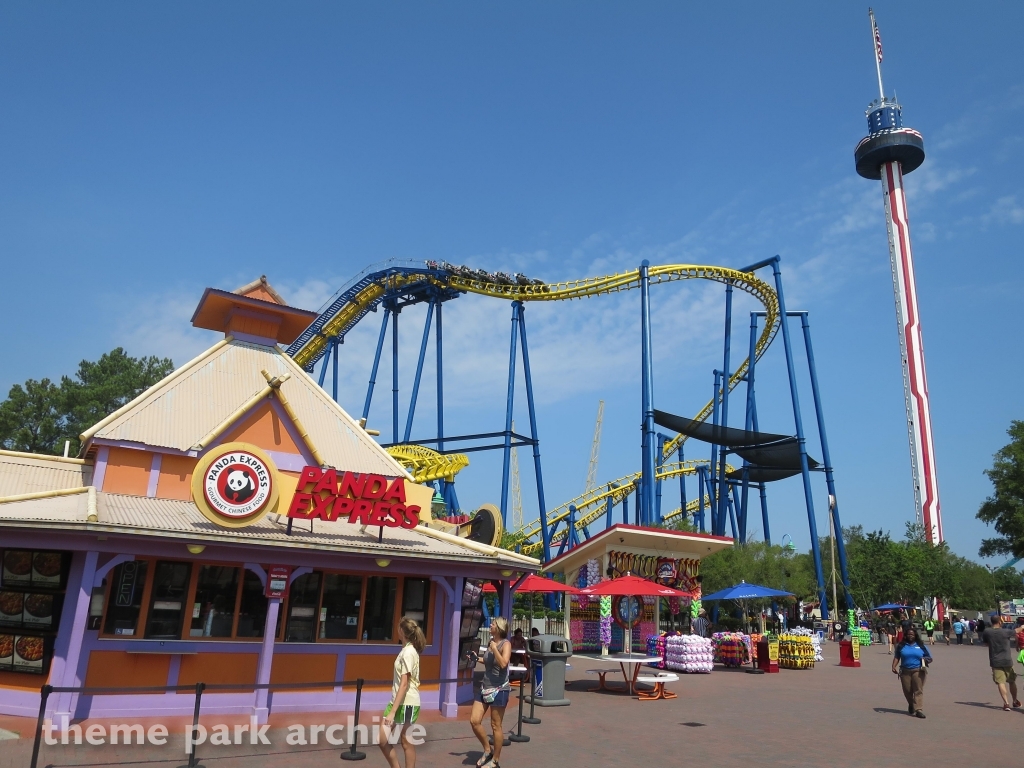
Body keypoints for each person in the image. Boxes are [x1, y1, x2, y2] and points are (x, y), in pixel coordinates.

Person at [380, 617, 424, 768]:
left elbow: (404, 683)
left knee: (406, 741)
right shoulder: (405, 650)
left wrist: (392, 712)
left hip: (407, 703)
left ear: (402, 631)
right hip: (397, 700)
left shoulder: (409, 653)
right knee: (382, 739)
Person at [470, 617, 512, 768]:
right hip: (485, 687)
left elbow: (503, 663)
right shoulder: (491, 643)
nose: (490, 625)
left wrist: (494, 648)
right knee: (474, 721)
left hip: (499, 689)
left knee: (496, 725)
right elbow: (490, 662)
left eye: (493, 624)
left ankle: (495, 760)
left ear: (499, 628)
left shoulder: (505, 644)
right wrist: (477, 658)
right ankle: (487, 749)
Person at [981, 615, 1020, 712]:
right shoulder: (1005, 631)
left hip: (995, 660)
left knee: (1000, 682)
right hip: (1007, 660)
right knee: (1012, 681)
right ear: (1000, 622)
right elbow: (1017, 630)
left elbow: (986, 643)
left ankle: (1006, 703)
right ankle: (1014, 701)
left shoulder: (987, 631)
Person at [891, 626, 932, 718]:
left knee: (918, 690)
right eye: (909, 634)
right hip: (905, 671)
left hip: (918, 670)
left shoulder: (921, 646)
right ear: (905, 635)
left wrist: (925, 659)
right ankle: (911, 704)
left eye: (912, 634)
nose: (910, 636)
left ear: (915, 635)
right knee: (907, 691)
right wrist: (893, 666)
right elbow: (897, 657)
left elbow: (930, 658)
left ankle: (918, 710)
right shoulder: (901, 646)